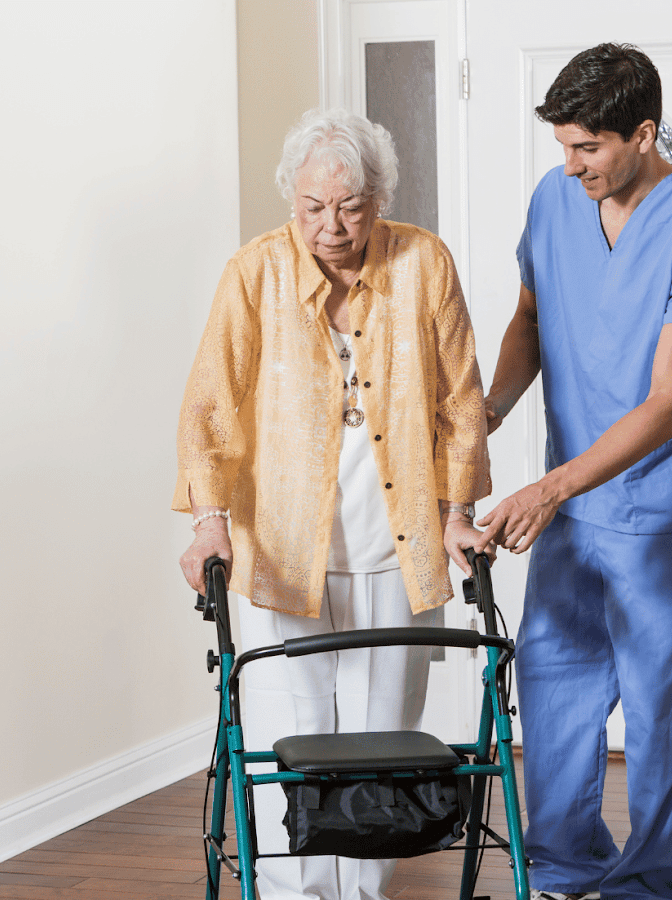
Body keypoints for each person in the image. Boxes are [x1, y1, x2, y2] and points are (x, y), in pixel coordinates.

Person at [174, 108, 493, 900]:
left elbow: (460, 400)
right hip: (283, 548)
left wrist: (457, 513)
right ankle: (298, 894)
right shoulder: (254, 273)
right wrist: (209, 524)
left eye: (350, 207)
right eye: (313, 207)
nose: (331, 225)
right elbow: (209, 409)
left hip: (399, 542)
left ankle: (363, 892)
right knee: (297, 731)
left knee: (385, 739)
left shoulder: (424, 263)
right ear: (292, 200)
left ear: (377, 199)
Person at [475, 44, 672, 900]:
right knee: (553, 691)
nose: (572, 165)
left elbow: (670, 398)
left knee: (663, 710)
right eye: (563, 147)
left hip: (664, 507)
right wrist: (486, 416)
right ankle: (561, 868)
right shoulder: (556, 201)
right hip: (573, 505)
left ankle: (655, 884)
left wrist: (549, 487)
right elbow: (529, 315)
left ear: (643, 132)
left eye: (588, 147)